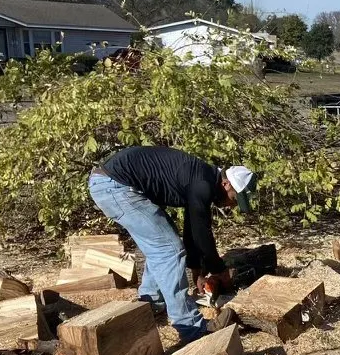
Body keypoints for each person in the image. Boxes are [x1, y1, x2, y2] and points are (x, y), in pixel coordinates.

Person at [88, 146, 258, 344]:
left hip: (113, 183)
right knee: (167, 249)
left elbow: (194, 227)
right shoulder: (202, 183)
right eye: (235, 199)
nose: (233, 205)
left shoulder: (202, 180)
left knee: (162, 244)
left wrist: (197, 269)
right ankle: (192, 328)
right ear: (227, 184)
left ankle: (151, 303)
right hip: (115, 186)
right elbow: (202, 233)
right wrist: (218, 270)